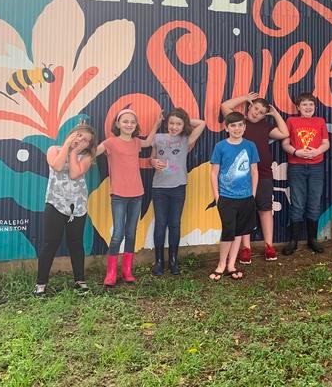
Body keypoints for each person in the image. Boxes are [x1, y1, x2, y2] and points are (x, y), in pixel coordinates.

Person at [96, 108, 161, 287]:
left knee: (131, 233)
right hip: (118, 194)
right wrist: (78, 139)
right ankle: (111, 273)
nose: (129, 125)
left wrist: (156, 124)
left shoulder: (136, 142)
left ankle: (127, 270)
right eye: (125, 121)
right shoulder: (110, 143)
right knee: (118, 234)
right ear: (118, 124)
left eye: (132, 122)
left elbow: (148, 142)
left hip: (137, 194)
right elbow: (93, 152)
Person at [220, 93, 288, 264]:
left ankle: (269, 245)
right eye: (256, 108)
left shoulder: (266, 126)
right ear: (249, 107)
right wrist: (244, 97)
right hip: (240, 176)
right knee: (245, 211)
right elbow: (224, 106)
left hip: (263, 173)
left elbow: (284, 132)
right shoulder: (239, 123)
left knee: (265, 209)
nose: (257, 113)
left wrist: (274, 113)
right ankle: (246, 247)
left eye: (261, 112)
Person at [34, 123, 97, 297]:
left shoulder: (86, 156)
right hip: (55, 203)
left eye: (86, 140)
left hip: (77, 206)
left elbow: (75, 174)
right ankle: (41, 284)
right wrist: (68, 146)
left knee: (76, 244)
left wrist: (75, 152)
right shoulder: (54, 149)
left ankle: (80, 280)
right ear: (72, 135)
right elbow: (57, 166)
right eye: (79, 136)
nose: (81, 141)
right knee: (50, 244)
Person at [149, 108, 206, 275]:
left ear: (184, 125)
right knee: (160, 224)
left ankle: (173, 260)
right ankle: (159, 261)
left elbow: (202, 123)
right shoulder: (158, 138)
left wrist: (186, 123)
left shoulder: (185, 139)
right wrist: (153, 162)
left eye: (178, 123)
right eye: (171, 123)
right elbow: (151, 157)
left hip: (178, 187)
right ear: (167, 124)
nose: (174, 127)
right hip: (159, 187)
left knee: (174, 223)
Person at [209, 111, 259, 281]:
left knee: (239, 231)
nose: (237, 128)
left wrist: (252, 194)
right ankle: (221, 264)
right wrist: (217, 196)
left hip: (245, 197)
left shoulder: (250, 146)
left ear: (244, 127)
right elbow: (214, 173)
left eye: (240, 125)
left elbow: (254, 171)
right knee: (228, 231)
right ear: (227, 128)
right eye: (233, 125)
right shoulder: (220, 147)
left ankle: (231, 265)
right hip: (226, 197)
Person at [281, 92, 329, 255]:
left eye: (311, 104)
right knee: (298, 203)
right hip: (297, 167)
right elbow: (285, 143)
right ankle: (293, 241)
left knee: (314, 203)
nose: (308, 107)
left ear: (315, 107)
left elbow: (326, 143)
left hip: (316, 167)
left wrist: (317, 151)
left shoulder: (320, 121)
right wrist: (296, 152)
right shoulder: (291, 121)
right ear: (298, 107)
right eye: (304, 104)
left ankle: (312, 239)